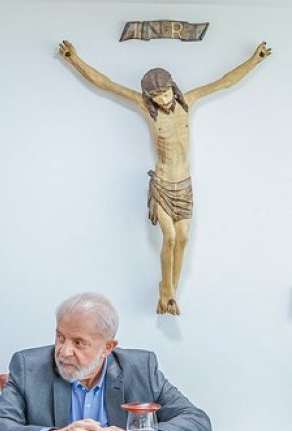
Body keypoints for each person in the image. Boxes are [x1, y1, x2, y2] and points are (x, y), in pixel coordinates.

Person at [57, 40, 271, 315]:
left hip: (184, 186)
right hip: (162, 185)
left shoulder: (188, 102)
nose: (162, 99)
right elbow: (106, 83)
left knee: (182, 238)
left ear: (173, 87)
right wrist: (74, 59)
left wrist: (255, 59)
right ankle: (165, 288)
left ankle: (171, 294)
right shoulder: (148, 108)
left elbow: (224, 81)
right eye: (156, 95)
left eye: (165, 92)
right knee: (168, 237)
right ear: (149, 97)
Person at [0, 292, 211, 431]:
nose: (64, 351)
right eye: (60, 337)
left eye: (79, 342)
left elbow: (197, 421)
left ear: (108, 348)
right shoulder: (28, 367)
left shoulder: (140, 368)